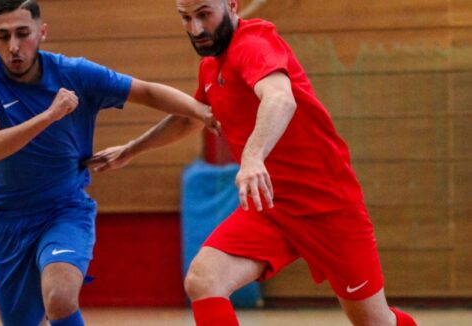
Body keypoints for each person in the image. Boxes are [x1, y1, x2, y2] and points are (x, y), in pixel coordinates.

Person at [85, 0, 418, 325]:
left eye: (204, 15)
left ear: (232, 5)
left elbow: (280, 98)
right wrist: (132, 148)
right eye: (185, 18)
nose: (195, 28)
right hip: (271, 207)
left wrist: (253, 156)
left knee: (375, 322)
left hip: (327, 206)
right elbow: (192, 118)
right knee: (204, 279)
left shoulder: (254, 45)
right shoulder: (211, 66)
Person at [0, 1, 218, 325]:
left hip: (63, 210)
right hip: (6, 220)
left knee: (60, 296)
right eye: (3, 36)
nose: (14, 47)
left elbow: (148, 92)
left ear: (41, 32)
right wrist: (50, 115)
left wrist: (202, 112)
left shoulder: (74, 73)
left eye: (23, 34)